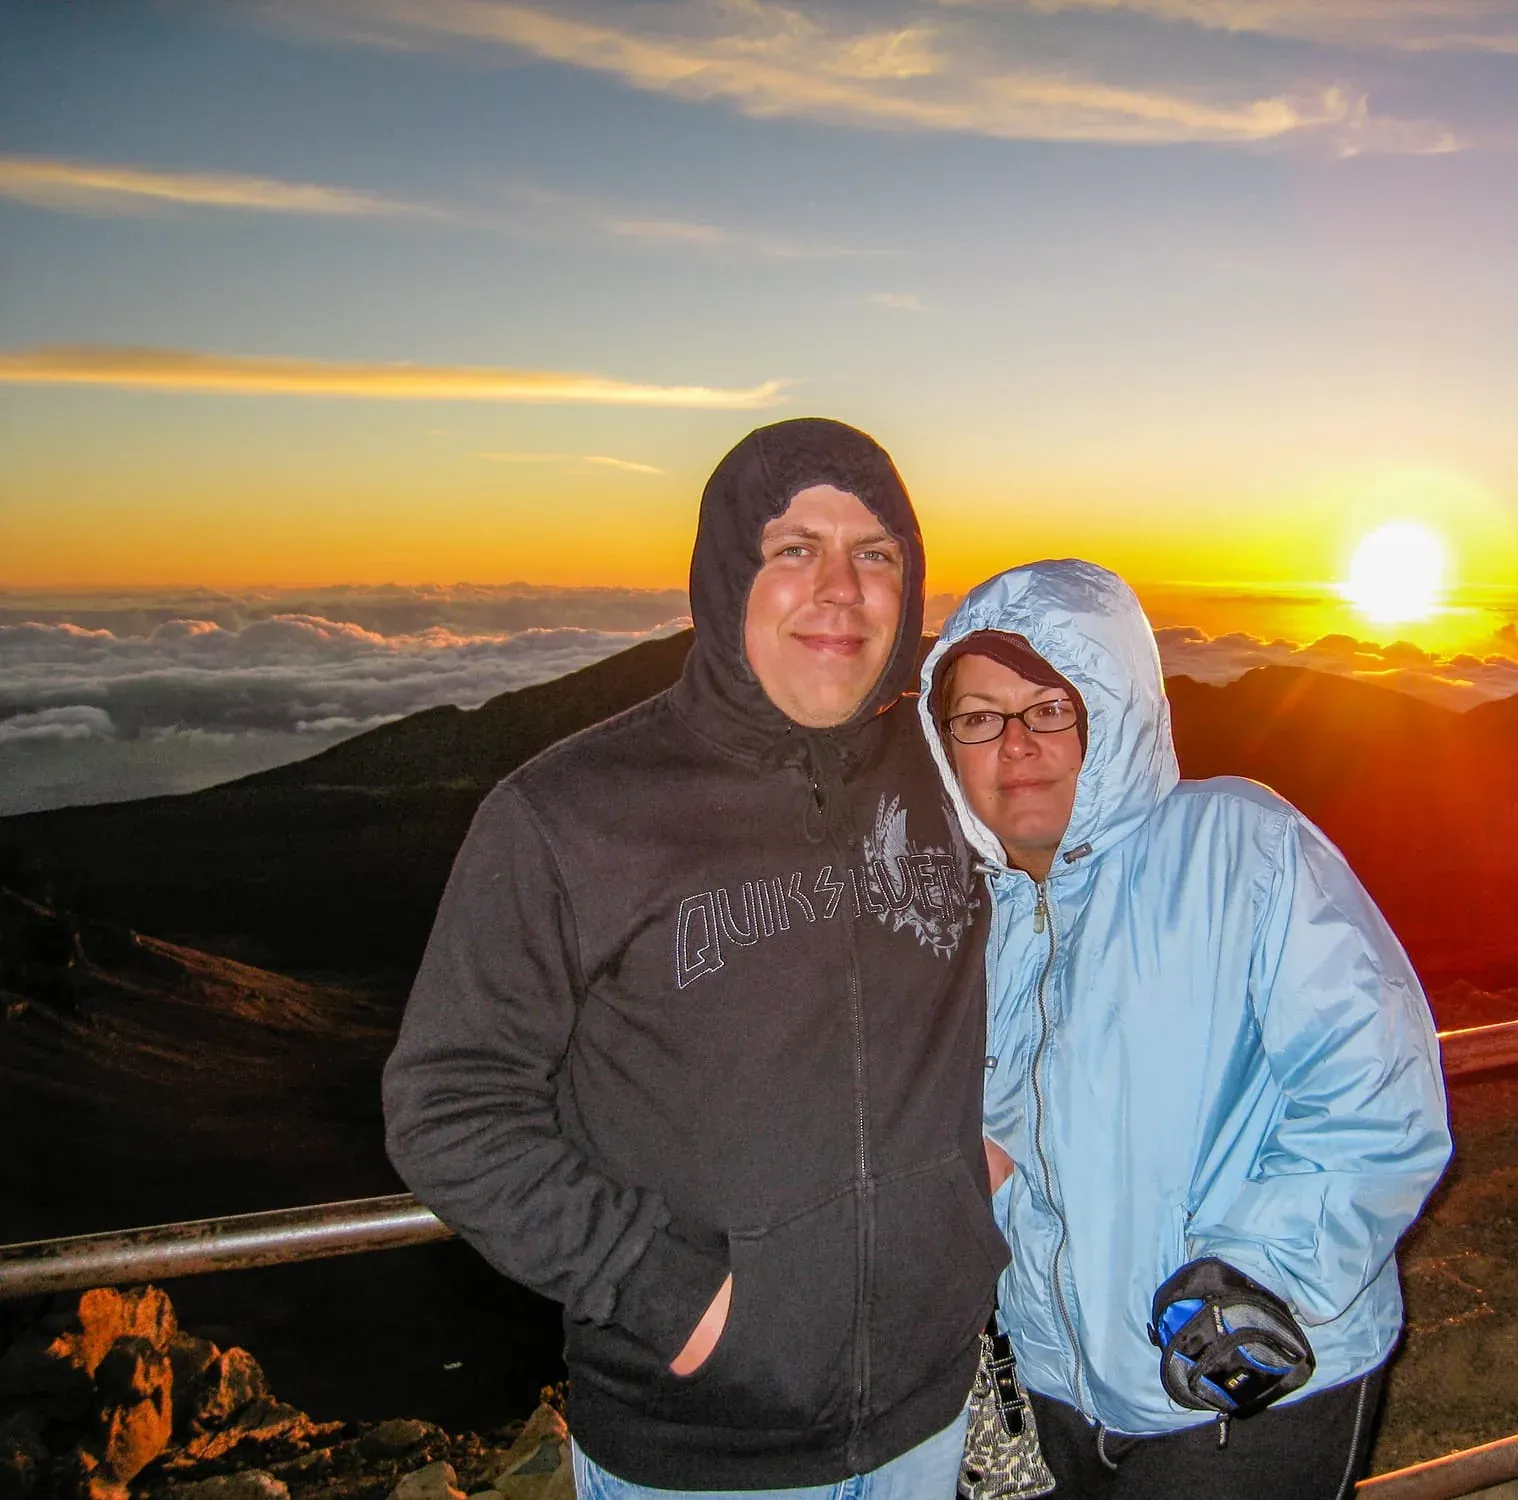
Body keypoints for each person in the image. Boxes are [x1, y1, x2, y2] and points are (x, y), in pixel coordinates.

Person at [382, 418, 1006, 1500]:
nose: (840, 589)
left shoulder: (955, 772)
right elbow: (448, 1102)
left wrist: (989, 1162)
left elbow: (1086, 904)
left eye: (876, 555)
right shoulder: (568, 815)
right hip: (696, 1452)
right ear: (726, 577)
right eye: (793, 548)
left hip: (926, 1414)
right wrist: (672, 1298)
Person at [918, 560, 1452, 1499]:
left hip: (1248, 1381)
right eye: (978, 717)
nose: (1015, 745)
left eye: (1051, 708)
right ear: (944, 740)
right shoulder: (953, 916)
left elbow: (1378, 1098)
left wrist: (1253, 1282)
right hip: (1050, 1387)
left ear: (1115, 714)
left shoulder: (1241, 849)